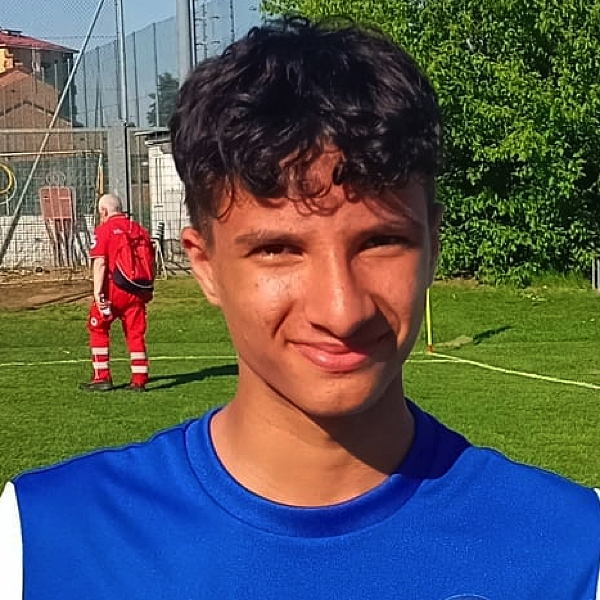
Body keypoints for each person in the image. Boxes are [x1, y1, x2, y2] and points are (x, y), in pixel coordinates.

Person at [1, 18, 599, 600]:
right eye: (278, 250)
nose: (341, 310)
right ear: (205, 264)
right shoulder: (41, 545)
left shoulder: (572, 551)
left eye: (381, 241)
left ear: (433, 245)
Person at [82, 193, 152, 392]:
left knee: (98, 326)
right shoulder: (139, 229)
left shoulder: (104, 230)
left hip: (114, 289)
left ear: (104, 211)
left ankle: (102, 376)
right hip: (136, 289)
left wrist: (97, 293)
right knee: (135, 333)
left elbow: (100, 263)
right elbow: (150, 261)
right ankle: (139, 379)